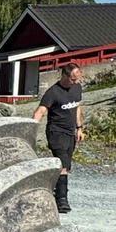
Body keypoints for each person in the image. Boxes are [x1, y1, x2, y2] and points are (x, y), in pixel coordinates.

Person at [33, 64, 83, 213]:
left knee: (66, 165)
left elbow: (77, 107)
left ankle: (51, 189)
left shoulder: (77, 88)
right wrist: (31, 132)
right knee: (62, 165)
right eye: (72, 79)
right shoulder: (53, 92)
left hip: (70, 132)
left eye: (77, 79)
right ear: (64, 76)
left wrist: (79, 128)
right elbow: (39, 112)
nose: (74, 82)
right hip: (56, 132)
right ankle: (62, 199)